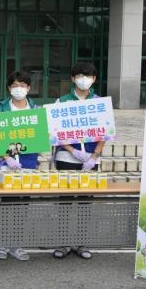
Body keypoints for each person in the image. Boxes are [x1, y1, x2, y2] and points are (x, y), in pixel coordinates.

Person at [52, 61, 106, 260]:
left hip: (91, 160)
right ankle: (64, 242)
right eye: (80, 76)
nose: (84, 79)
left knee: (85, 203)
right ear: (73, 78)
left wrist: (94, 156)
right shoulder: (62, 101)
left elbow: (105, 133)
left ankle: (82, 243)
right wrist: (72, 150)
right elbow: (55, 132)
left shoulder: (99, 102)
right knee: (65, 203)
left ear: (94, 79)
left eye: (88, 76)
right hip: (67, 158)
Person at [0, 70, 42, 262]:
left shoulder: (36, 109)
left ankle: (16, 244)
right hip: (5, 165)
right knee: (3, 207)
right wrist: (7, 157)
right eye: (15, 85)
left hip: (28, 164)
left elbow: (40, 136)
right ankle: (1, 244)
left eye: (22, 85)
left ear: (28, 88)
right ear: (9, 88)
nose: (18, 89)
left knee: (22, 206)